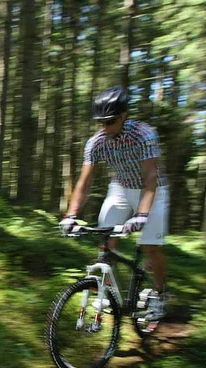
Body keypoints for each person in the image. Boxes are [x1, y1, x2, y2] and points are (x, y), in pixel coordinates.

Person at [59, 86, 169, 320]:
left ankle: (160, 295)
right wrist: (71, 215)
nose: (105, 128)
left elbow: (150, 176)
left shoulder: (144, 134)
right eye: (101, 123)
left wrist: (141, 214)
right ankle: (106, 291)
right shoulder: (96, 143)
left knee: (151, 247)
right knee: (106, 242)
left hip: (152, 190)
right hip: (120, 188)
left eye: (110, 122)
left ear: (124, 116)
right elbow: (84, 181)